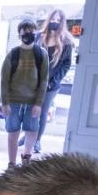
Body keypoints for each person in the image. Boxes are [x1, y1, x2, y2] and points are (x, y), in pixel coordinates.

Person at [0, 19, 51, 170]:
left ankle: (26, 159)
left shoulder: (41, 54)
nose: (28, 35)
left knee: (32, 131)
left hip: (32, 102)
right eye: (24, 33)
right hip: (13, 101)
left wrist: (38, 103)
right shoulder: (13, 54)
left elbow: (44, 80)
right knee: (13, 132)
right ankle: (12, 163)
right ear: (19, 34)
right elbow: (4, 80)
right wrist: (5, 102)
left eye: (31, 32)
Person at [31, 9, 75, 156]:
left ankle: (37, 140)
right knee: (31, 110)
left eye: (58, 20)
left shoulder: (66, 41)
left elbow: (66, 64)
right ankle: (29, 135)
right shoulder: (38, 37)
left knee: (42, 111)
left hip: (51, 84)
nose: (54, 22)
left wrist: (54, 80)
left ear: (62, 22)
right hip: (34, 81)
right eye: (52, 19)